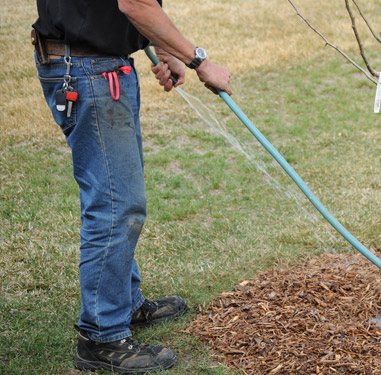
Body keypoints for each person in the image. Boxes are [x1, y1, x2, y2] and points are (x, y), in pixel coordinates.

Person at [32, 0, 231, 372]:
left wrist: (167, 50)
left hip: (101, 65)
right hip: (88, 70)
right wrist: (198, 61)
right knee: (116, 205)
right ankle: (101, 337)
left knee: (120, 196)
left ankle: (123, 302)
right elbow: (134, 3)